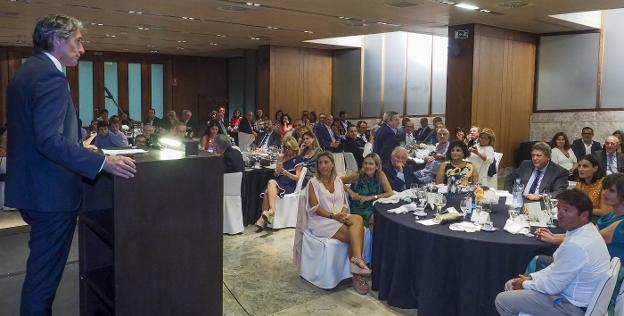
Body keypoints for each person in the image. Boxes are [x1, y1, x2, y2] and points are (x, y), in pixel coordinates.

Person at [6, 14, 136, 315]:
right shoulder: (51, 76)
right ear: (57, 40)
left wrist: (78, 144)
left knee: (41, 275)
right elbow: (48, 141)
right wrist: (102, 160)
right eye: (78, 41)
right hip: (50, 195)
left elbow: (37, 134)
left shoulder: (26, 72)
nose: (83, 48)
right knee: (43, 280)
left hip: (34, 190)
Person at [496, 189, 611, 316]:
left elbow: (552, 286)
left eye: (566, 210)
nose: (560, 215)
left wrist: (525, 283)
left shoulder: (577, 245)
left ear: (583, 215)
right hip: (575, 298)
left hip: (570, 307)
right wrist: (531, 278)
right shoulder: (588, 230)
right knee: (512, 285)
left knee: (503, 300)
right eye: (559, 209)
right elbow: (557, 267)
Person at [306, 152, 372, 294]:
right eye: (320, 163)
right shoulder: (313, 182)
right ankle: (357, 275)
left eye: (326, 162)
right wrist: (333, 216)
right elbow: (315, 207)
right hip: (322, 221)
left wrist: (341, 212)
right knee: (354, 236)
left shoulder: (337, 181)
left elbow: (343, 202)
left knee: (358, 219)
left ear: (332, 164)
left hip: (338, 216)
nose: (323, 166)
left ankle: (357, 260)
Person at [254, 136, 304, 231]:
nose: (286, 150)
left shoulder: (298, 158)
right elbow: (276, 174)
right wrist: (278, 168)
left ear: (294, 148)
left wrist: (285, 172)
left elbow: (297, 177)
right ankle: (265, 217)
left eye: (288, 148)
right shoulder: (281, 157)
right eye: (284, 147)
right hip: (279, 182)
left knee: (269, 185)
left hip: (289, 183)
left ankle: (268, 214)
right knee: (267, 190)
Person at [342, 153, 393, 228]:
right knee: (376, 218)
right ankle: (372, 238)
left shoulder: (380, 175)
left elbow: (390, 193)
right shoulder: (357, 175)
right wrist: (351, 192)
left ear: (377, 166)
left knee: (388, 216)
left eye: (371, 164)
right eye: (365, 163)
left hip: (375, 205)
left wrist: (372, 197)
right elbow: (337, 181)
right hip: (360, 207)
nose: (367, 166)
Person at [505, 142, 569, 200]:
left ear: (548, 157)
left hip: (539, 204)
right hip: (519, 201)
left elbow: (559, 192)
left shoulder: (559, 172)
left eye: (538, 155)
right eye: (533, 155)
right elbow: (509, 179)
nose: (535, 158)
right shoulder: (525, 165)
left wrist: (540, 196)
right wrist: (510, 195)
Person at [575, 155, 610, 219]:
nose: (580, 169)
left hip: (600, 220)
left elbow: (605, 212)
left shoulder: (604, 184)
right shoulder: (579, 184)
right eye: (579, 166)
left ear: (595, 168)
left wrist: (582, 210)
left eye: (585, 166)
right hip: (583, 217)